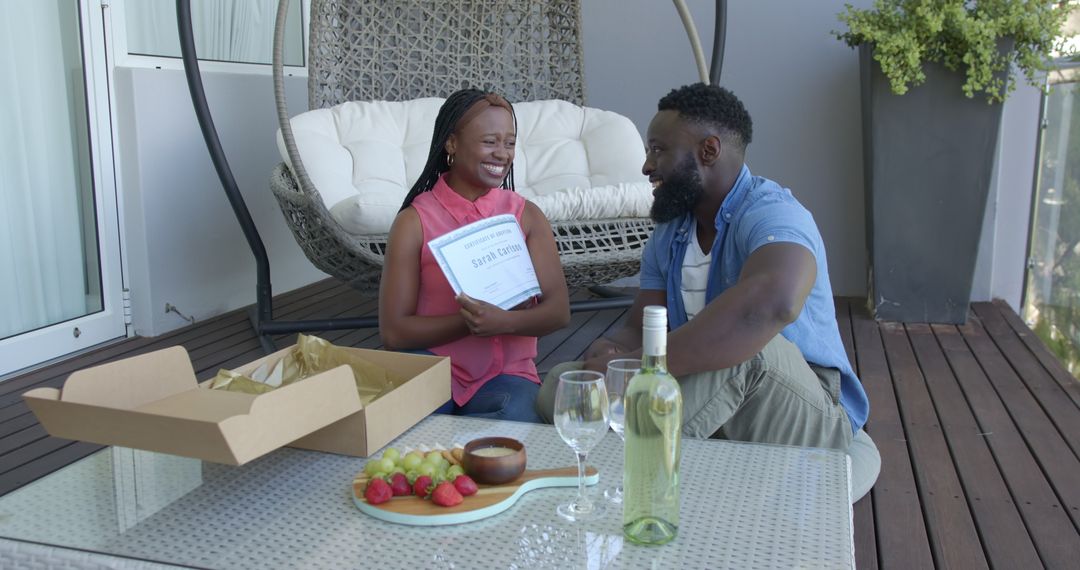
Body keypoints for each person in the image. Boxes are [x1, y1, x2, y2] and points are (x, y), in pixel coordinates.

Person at [537, 83, 872, 457]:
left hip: (807, 410)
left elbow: (774, 302)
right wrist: (610, 351)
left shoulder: (773, 211)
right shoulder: (669, 233)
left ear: (708, 150)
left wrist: (633, 366)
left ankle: (630, 469)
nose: (646, 166)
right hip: (710, 392)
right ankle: (630, 454)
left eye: (658, 149)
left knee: (747, 348)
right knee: (566, 380)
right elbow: (642, 328)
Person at [379, 88, 570, 423]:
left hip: (506, 376)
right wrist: (470, 322)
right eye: (489, 141)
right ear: (452, 144)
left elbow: (558, 311)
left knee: (513, 428)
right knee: (407, 434)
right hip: (433, 367)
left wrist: (504, 322)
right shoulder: (414, 222)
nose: (502, 154)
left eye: (509, 143)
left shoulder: (526, 216)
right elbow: (394, 331)